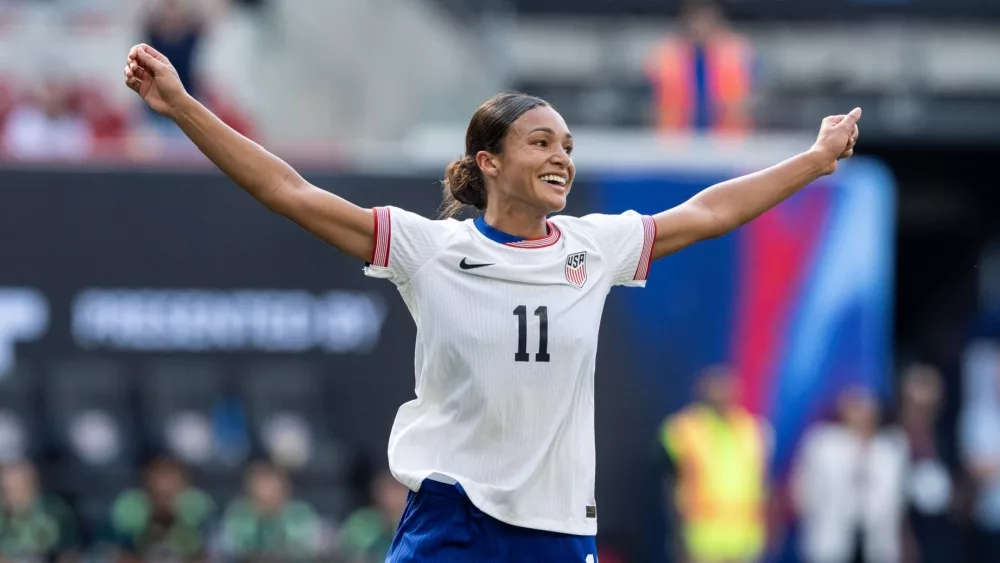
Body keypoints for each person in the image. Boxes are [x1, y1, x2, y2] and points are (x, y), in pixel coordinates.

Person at [122, 42, 860, 562]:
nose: (561, 156)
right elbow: (288, 191)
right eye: (540, 141)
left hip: (557, 529)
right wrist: (182, 106)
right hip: (452, 522)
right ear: (490, 160)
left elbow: (710, 213)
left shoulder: (592, 248)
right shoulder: (430, 249)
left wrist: (814, 158)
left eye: (567, 144)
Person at [659, 365, 771, 563]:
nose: (723, 393)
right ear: (701, 389)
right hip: (700, 539)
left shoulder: (752, 428)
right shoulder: (684, 428)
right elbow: (668, 482)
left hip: (745, 538)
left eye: (728, 386)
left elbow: (762, 482)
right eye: (717, 386)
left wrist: (770, 527)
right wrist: (676, 531)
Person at [792, 386, 909, 563]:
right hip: (831, 543)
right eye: (855, 403)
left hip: (876, 545)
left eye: (866, 402)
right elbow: (803, 495)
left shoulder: (891, 448)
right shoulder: (822, 444)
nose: (862, 410)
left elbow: (898, 501)